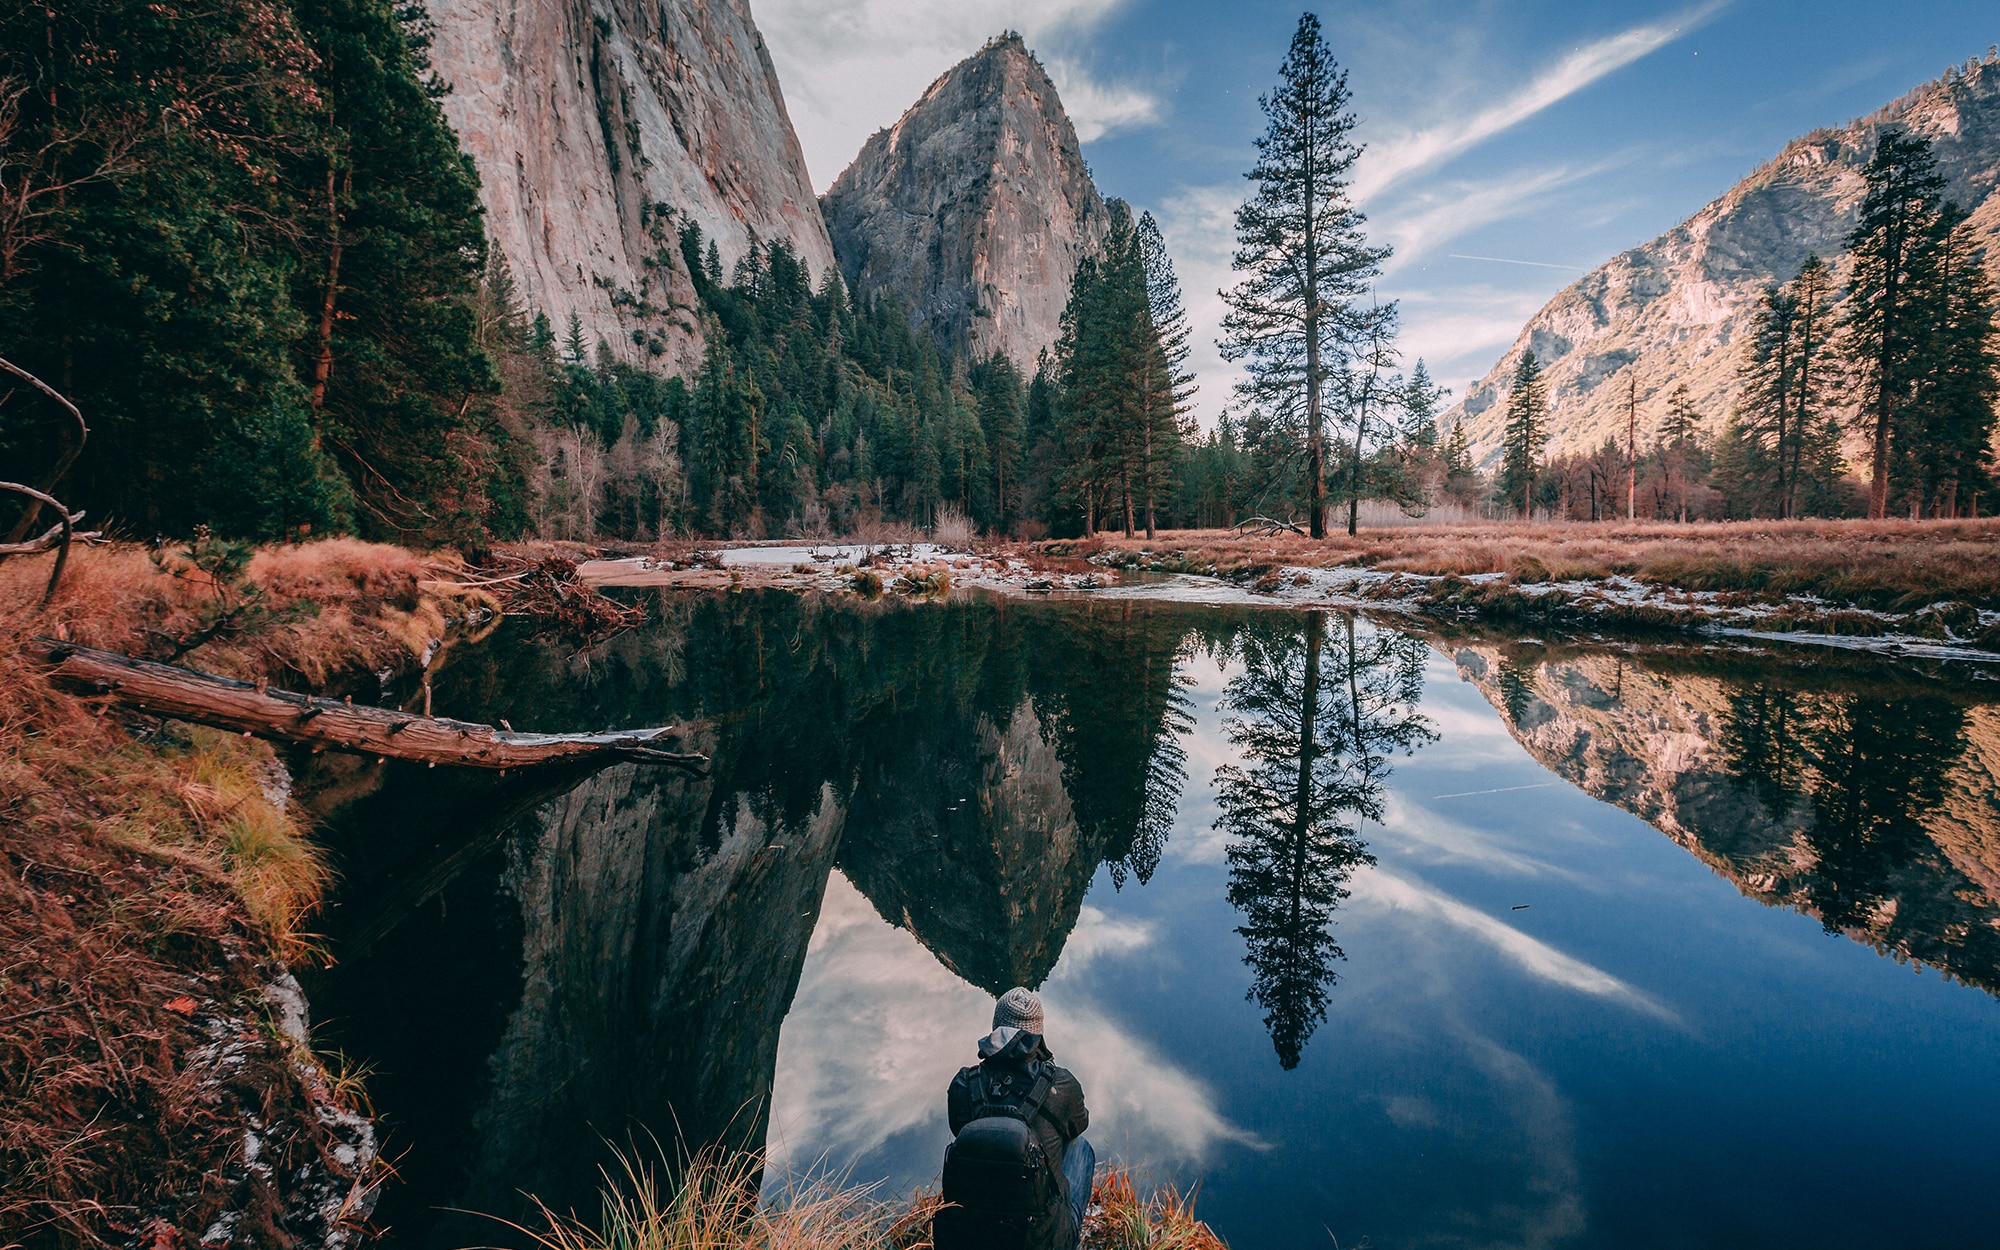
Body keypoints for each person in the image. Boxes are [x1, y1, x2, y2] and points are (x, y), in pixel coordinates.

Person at [935, 987, 1094, 1250]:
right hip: (1040, 1242)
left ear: (995, 1028)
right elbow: (1079, 1124)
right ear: (1039, 1033)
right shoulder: (1062, 1084)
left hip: (968, 1237)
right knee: (1080, 1147)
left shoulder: (964, 1083)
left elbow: (958, 1129)